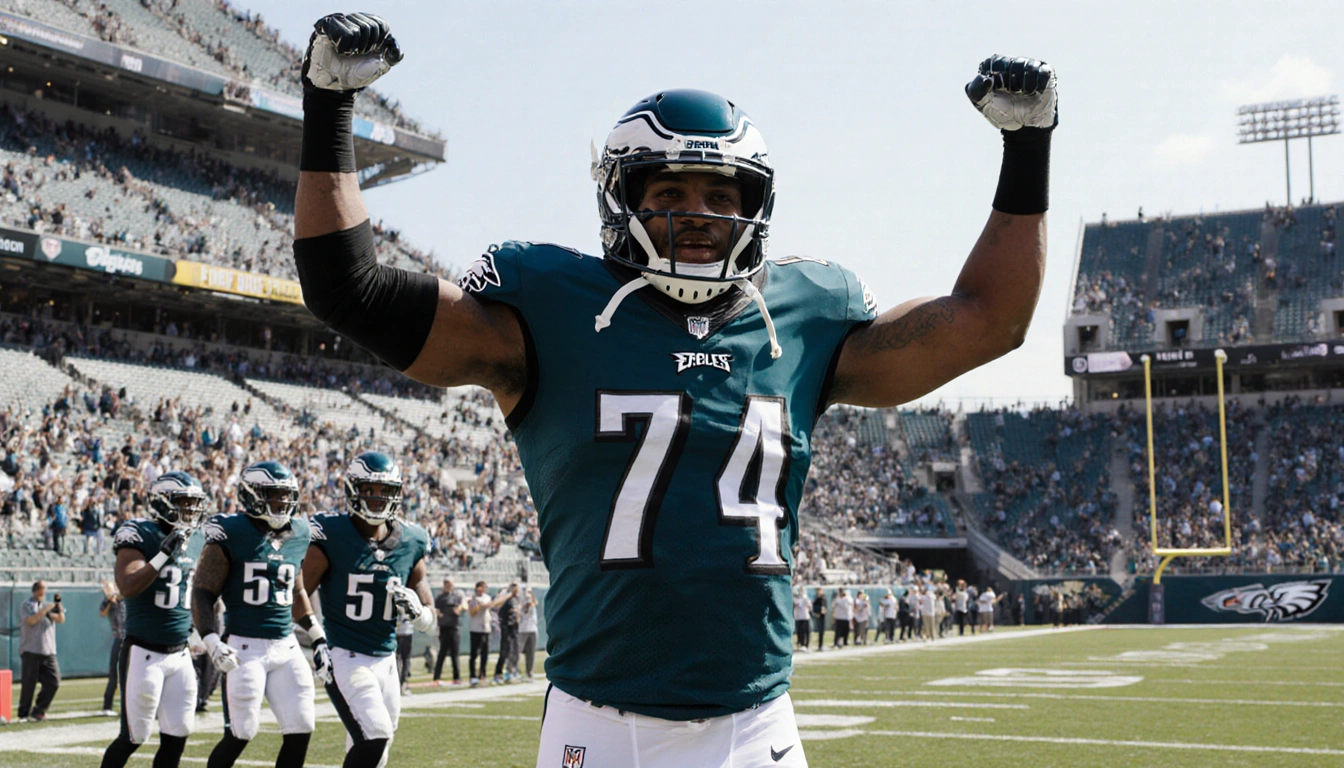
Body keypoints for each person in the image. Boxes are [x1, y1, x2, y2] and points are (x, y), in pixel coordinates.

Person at [294, 15, 1055, 765]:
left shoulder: (804, 318)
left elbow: (990, 322)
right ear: (623, 196)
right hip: (598, 721)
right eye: (671, 190)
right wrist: (330, 104)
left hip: (756, 721)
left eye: (724, 196)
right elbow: (349, 289)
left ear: (754, 209)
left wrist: (1028, 146)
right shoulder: (551, 310)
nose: (699, 214)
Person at [297, 451, 436, 768]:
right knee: (374, 734)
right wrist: (316, 636)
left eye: (383, 490)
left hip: (387, 660)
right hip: (345, 656)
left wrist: (420, 614)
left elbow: (431, 615)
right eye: (368, 489)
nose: (376, 497)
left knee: (377, 751)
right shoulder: (331, 532)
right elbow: (298, 590)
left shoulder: (411, 539)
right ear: (352, 489)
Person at [192, 461, 316, 768]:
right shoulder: (230, 531)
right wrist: (211, 641)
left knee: (302, 726)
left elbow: (297, 592)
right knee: (241, 732)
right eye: (274, 495)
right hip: (245, 647)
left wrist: (318, 637)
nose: (282, 503)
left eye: (286, 496)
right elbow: (202, 593)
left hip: (286, 646)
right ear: (252, 495)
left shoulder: (299, 532)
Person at [100, 471, 208, 768]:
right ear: (163, 503)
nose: (190, 510)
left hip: (181, 652)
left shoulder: (196, 538)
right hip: (144, 652)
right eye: (183, 503)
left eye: (194, 503)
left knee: (177, 737)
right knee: (133, 737)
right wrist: (162, 555)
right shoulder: (138, 532)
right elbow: (128, 585)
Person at [19, 580, 64, 722]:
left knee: (54, 681)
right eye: (40, 589)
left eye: (44, 589)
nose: (42, 592)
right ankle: (23, 714)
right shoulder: (26, 605)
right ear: (35, 590)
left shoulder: (50, 606)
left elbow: (61, 619)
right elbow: (31, 621)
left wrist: (58, 607)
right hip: (31, 649)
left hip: (48, 650)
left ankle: (39, 709)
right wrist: (44, 610)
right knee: (29, 684)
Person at [468, 581, 517, 687]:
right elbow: (471, 612)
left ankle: (482, 675)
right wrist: (480, 606)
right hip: (475, 629)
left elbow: (493, 605)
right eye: (482, 587)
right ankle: (473, 676)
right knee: (474, 654)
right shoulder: (473, 598)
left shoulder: (487, 597)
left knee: (485, 654)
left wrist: (504, 597)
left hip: (486, 628)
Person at [99, 579, 126, 716]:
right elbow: (102, 613)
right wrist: (110, 599)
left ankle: (127, 707)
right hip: (119, 639)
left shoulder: (127, 599)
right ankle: (107, 705)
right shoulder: (109, 601)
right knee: (114, 674)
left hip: (131, 640)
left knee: (129, 675)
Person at [433, 579, 466, 684]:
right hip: (444, 627)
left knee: (454, 653)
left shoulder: (457, 596)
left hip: (454, 627)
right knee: (442, 653)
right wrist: (439, 615)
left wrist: (459, 609)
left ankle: (457, 677)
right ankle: (436, 677)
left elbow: (464, 605)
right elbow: (436, 609)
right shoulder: (440, 597)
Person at [494, 583, 522, 684]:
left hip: (514, 627)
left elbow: (518, 611)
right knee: (505, 651)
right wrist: (508, 595)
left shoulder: (517, 599)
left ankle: (511, 672)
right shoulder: (505, 598)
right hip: (506, 626)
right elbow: (496, 605)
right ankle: (498, 673)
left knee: (515, 651)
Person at [518, 587, 539, 680]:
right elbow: (527, 605)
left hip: (532, 630)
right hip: (523, 630)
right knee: (518, 652)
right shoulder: (522, 603)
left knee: (531, 653)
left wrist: (531, 595)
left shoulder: (532, 603)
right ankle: (514, 671)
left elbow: (534, 602)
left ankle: (529, 672)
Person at [395, 615, 415, 694]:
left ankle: (402, 683)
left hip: (402, 631)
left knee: (402, 659)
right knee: (403, 660)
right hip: (403, 632)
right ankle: (402, 683)